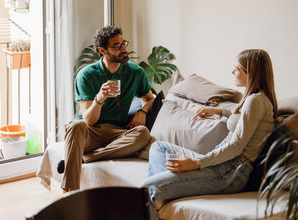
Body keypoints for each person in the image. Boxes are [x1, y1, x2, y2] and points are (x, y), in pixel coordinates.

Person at [141, 49, 277, 208]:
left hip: (230, 172)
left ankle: (164, 190)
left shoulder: (256, 101)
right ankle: (168, 189)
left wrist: (197, 163)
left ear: (250, 73)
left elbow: (236, 145)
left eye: (237, 68)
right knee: (158, 147)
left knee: (146, 188)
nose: (232, 71)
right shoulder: (255, 99)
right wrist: (220, 111)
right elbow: (246, 121)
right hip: (222, 164)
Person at [60, 26, 154, 192]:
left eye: (123, 43)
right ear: (102, 50)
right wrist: (99, 98)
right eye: (117, 46)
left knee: (143, 134)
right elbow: (89, 120)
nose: (124, 49)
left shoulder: (135, 72)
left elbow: (150, 98)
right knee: (76, 126)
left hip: (116, 133)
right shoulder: (87, 75)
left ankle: (87, 158)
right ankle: (70, 192)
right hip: (90, 132)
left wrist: (142, 111)